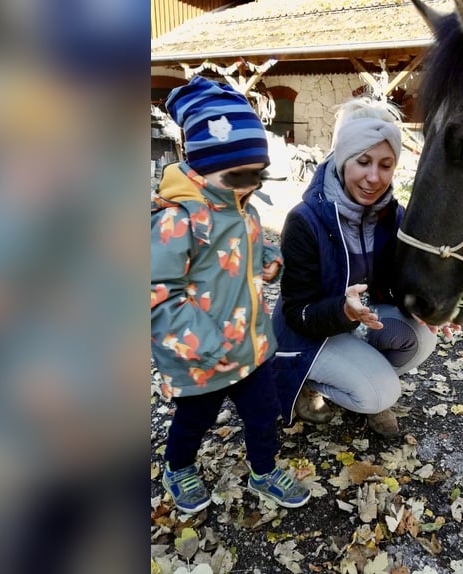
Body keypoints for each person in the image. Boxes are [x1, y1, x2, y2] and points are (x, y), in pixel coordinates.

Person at [151, 76, 310, 513]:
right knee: (193, 421)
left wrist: (267, 259)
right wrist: (203, 341)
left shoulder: (247, 210)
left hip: (251, 347)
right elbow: (156, 295)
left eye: (256, 173)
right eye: (238, 174)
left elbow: (249, 252)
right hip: (201, 356)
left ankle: (264, 469)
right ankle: (177, 466)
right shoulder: (177, 221)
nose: (250, 183)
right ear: (201, 166)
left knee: (264, 413)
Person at [271, 97, 453, 438]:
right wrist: (344, 310)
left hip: (358, 320)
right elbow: (298, 312)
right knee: (380, 392)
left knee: (423, 338)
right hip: (310, 331)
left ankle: (365, 378)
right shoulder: (304, 221)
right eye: (363, 161)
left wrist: (432, 306)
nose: (374, 177)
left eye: (386, 164)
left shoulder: (392, 215)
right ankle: (311, 383)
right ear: (342, 160)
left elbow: (401, 281)